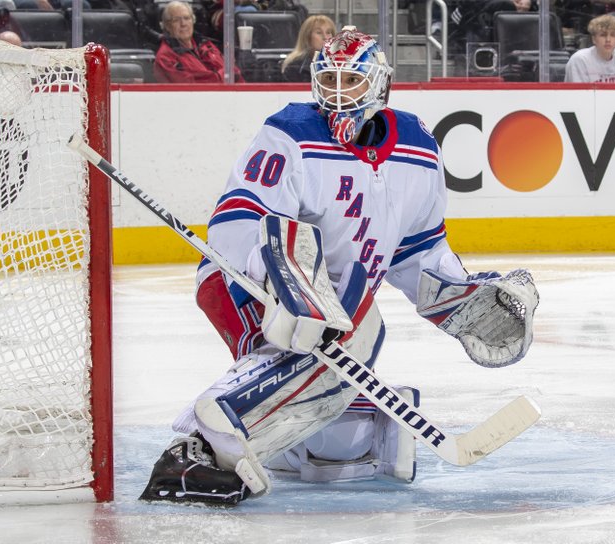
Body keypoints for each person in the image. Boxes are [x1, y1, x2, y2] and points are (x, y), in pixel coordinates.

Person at [140, 26, 539, 505]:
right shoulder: (291, 132)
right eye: (328, 79)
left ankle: (283, 445)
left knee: (337, 392)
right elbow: (239, 219)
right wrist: (287, 286)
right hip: (248, 283)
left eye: (351, 81)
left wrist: (464, 298)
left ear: (380, 83)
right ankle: (192, 451)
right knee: (353, 334)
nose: (337, 93)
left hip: (341, 304)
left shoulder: (418, 149)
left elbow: (419, 253)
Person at [154, 1, 244, 84]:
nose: (183, 24)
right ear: (167, 26)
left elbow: (235, 73)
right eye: (176, 20)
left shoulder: (206, 45)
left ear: (193, 21)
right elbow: (194, 86)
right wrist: (225, 74)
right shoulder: (166, 57)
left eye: (187, 18)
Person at [565, 13, 615, 81]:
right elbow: (579, 93)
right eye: (603, 35)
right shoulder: (579, 60)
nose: (608, 40)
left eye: (613, 35)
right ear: (594, 39)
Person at [281, 14, 335, 82]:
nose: (325, 37)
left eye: (328, 32)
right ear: (307, 37)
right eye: (319, 32)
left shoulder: (343, 64)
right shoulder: (295, 67)